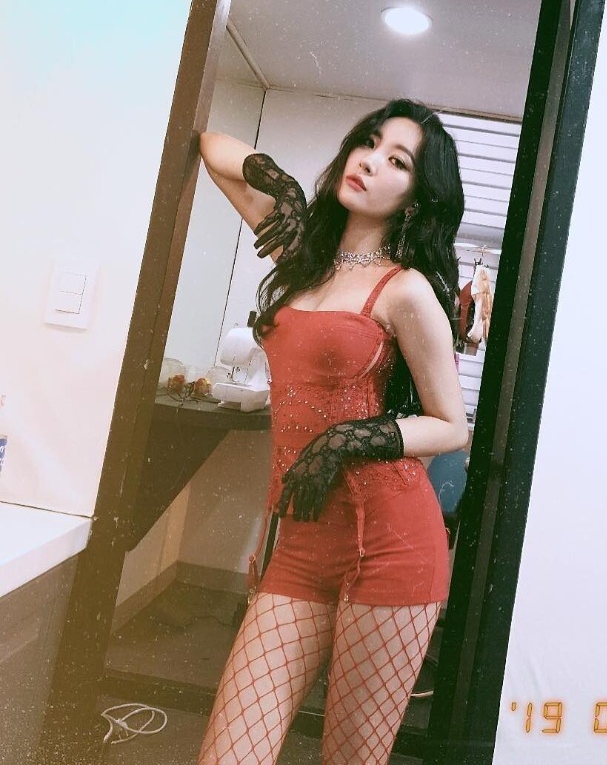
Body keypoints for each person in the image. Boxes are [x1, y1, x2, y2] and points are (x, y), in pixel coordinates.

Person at [195, 99, 468, 764]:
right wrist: (282, 185)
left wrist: (347, 439)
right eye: (368, 142)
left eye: (397, 161)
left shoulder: (406, 290)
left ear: (416, 198)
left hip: (391, 547)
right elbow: (210, 145)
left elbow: (450, 425)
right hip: (302, 544)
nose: (370, 161)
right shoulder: (299, 252)